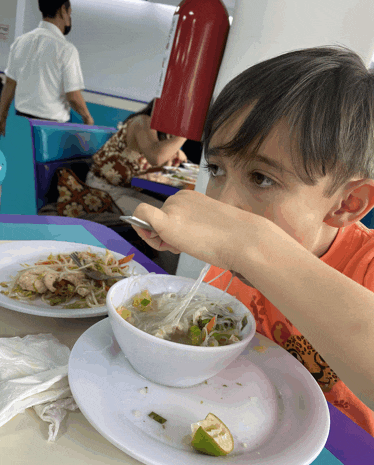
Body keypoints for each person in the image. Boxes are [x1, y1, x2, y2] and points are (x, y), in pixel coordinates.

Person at [131, 46, 374, 436]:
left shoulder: (366, 263)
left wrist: (248, 242)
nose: (224, 205)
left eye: (262, 178)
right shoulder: (233, 258)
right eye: (217, 169)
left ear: (348, 202)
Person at [0, 0, 93, 137]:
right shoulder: (66, 49)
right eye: (70, 13)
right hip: (50, 130)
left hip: (22, 125)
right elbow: (73, 96)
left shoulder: (21, 42)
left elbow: (9, 84)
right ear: (63, 11)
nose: (70, 19)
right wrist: (87, 117)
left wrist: (2, 117)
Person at [85, 99, 188, 213]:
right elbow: (156, 158)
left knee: (169, 212)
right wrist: (185, 132)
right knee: (161, 218)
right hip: (103, 190)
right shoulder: (141, 122)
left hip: (127, 188)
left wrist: (172, 158)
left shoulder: (159, 134)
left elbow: (155, 166)